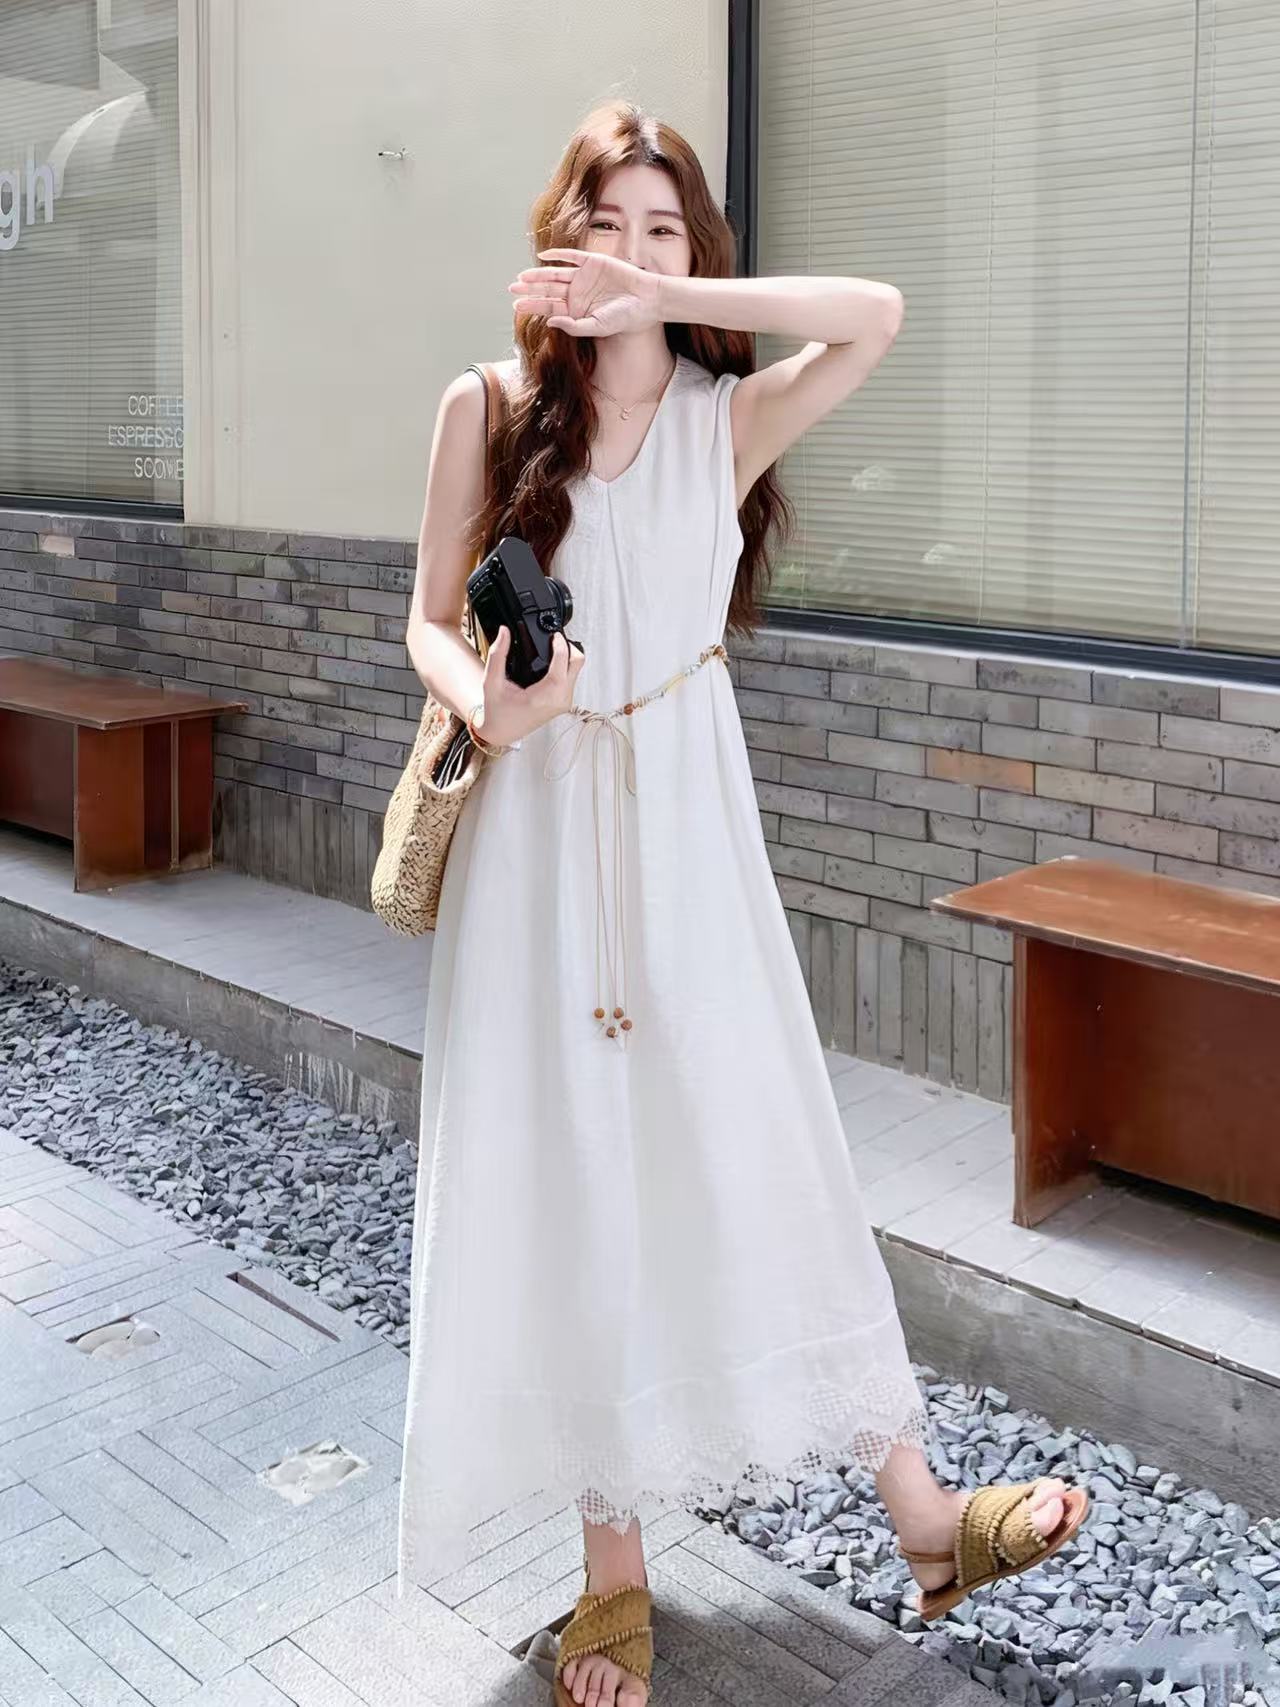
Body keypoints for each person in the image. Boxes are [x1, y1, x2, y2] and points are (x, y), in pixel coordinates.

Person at [398, 100, 1087, 1707]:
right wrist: (491, 705)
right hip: (538, 844)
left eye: (663, 229)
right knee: (576, 1167)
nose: (628, 255)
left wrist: (677, 300)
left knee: (761, 1137)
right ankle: (613, 1572)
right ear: (554, 241)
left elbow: (878, 316)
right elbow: (424, 618)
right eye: (604, 225)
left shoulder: (727, 416)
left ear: (692, 256)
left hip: (693, 836)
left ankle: (925, 1519)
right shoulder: (485, 407)